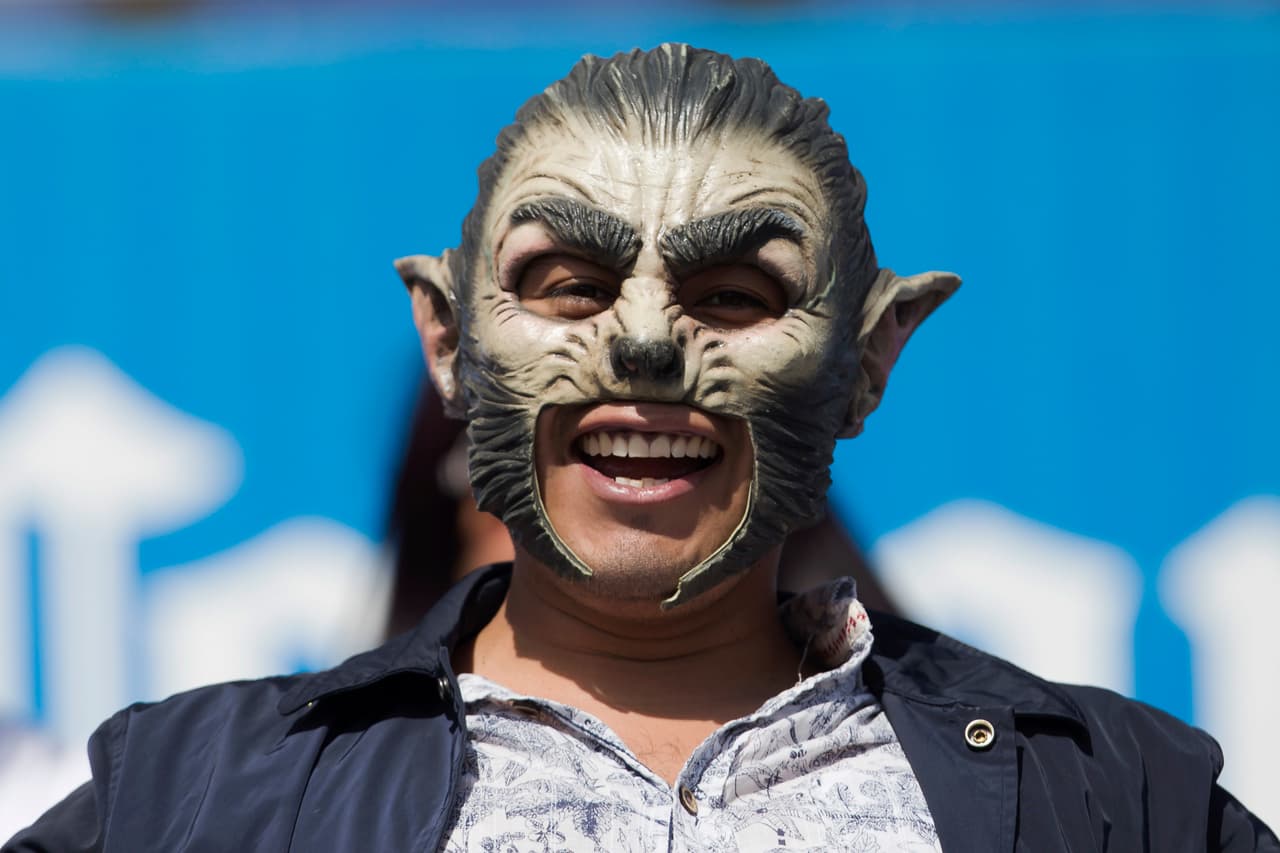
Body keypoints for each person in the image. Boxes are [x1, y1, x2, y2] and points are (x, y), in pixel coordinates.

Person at [7, 43, 1276, 852]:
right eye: (567, 283)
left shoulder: (1118, 802)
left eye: (733, 295)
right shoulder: (183, 803)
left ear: (868, 357)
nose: (646, 347)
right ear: (449, 339)